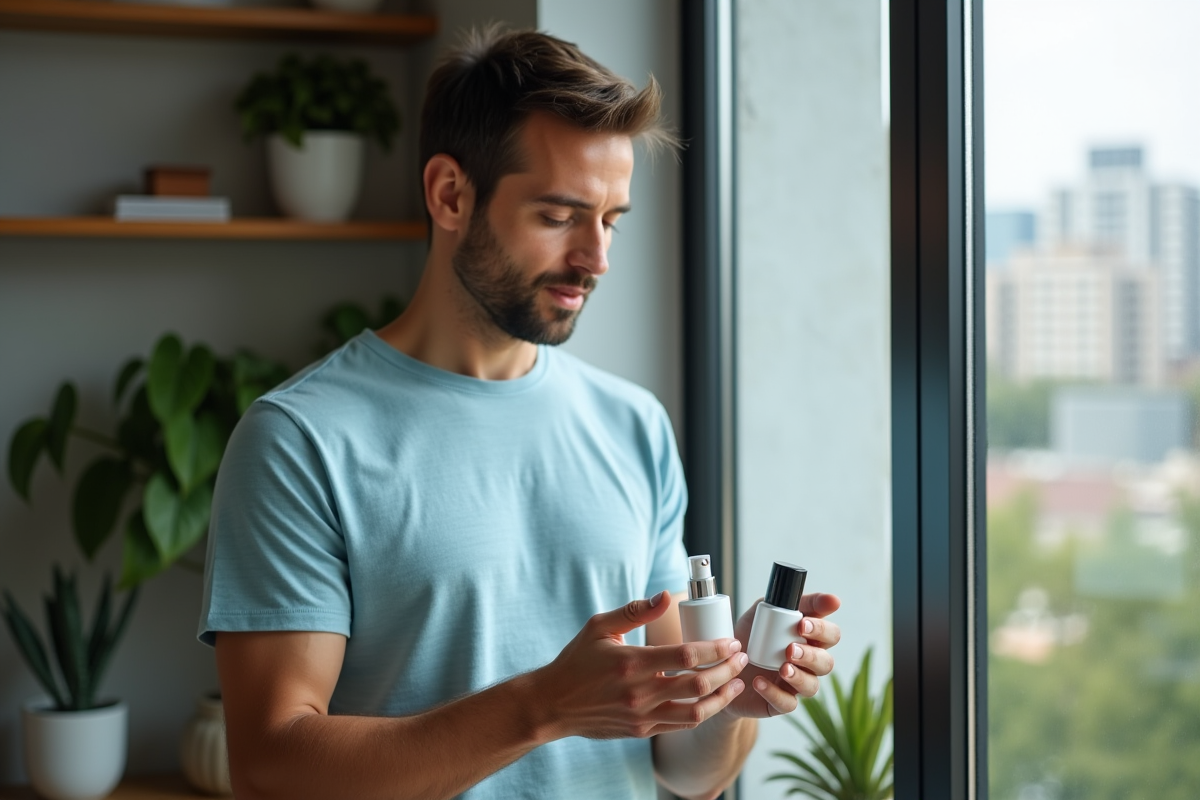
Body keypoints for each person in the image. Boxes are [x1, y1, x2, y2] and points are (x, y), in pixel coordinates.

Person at [198, 26, 842, 800]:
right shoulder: (300, 440)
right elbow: (273, 767)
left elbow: (683, 770)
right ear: (450, 194)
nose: (596, 258)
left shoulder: (632, 425)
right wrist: (542, 706)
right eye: (559, 215)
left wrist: (729, 697)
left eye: (610, 220)